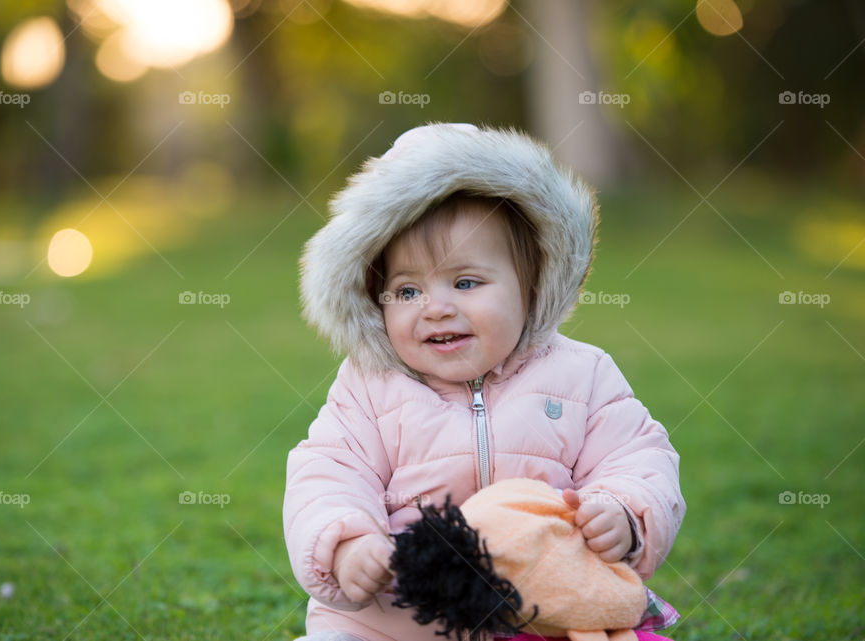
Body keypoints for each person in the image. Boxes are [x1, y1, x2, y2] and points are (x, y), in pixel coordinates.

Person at [284, 123, 685, 641]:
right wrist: (347, 543)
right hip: (393, 621)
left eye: (466, 282)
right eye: (407, 291)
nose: (436, 308)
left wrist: (624, 510)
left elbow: (638, 455)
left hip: (543, 611)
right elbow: (328, 473)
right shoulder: (369, 386)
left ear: (534, 284)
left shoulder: (581, 374)